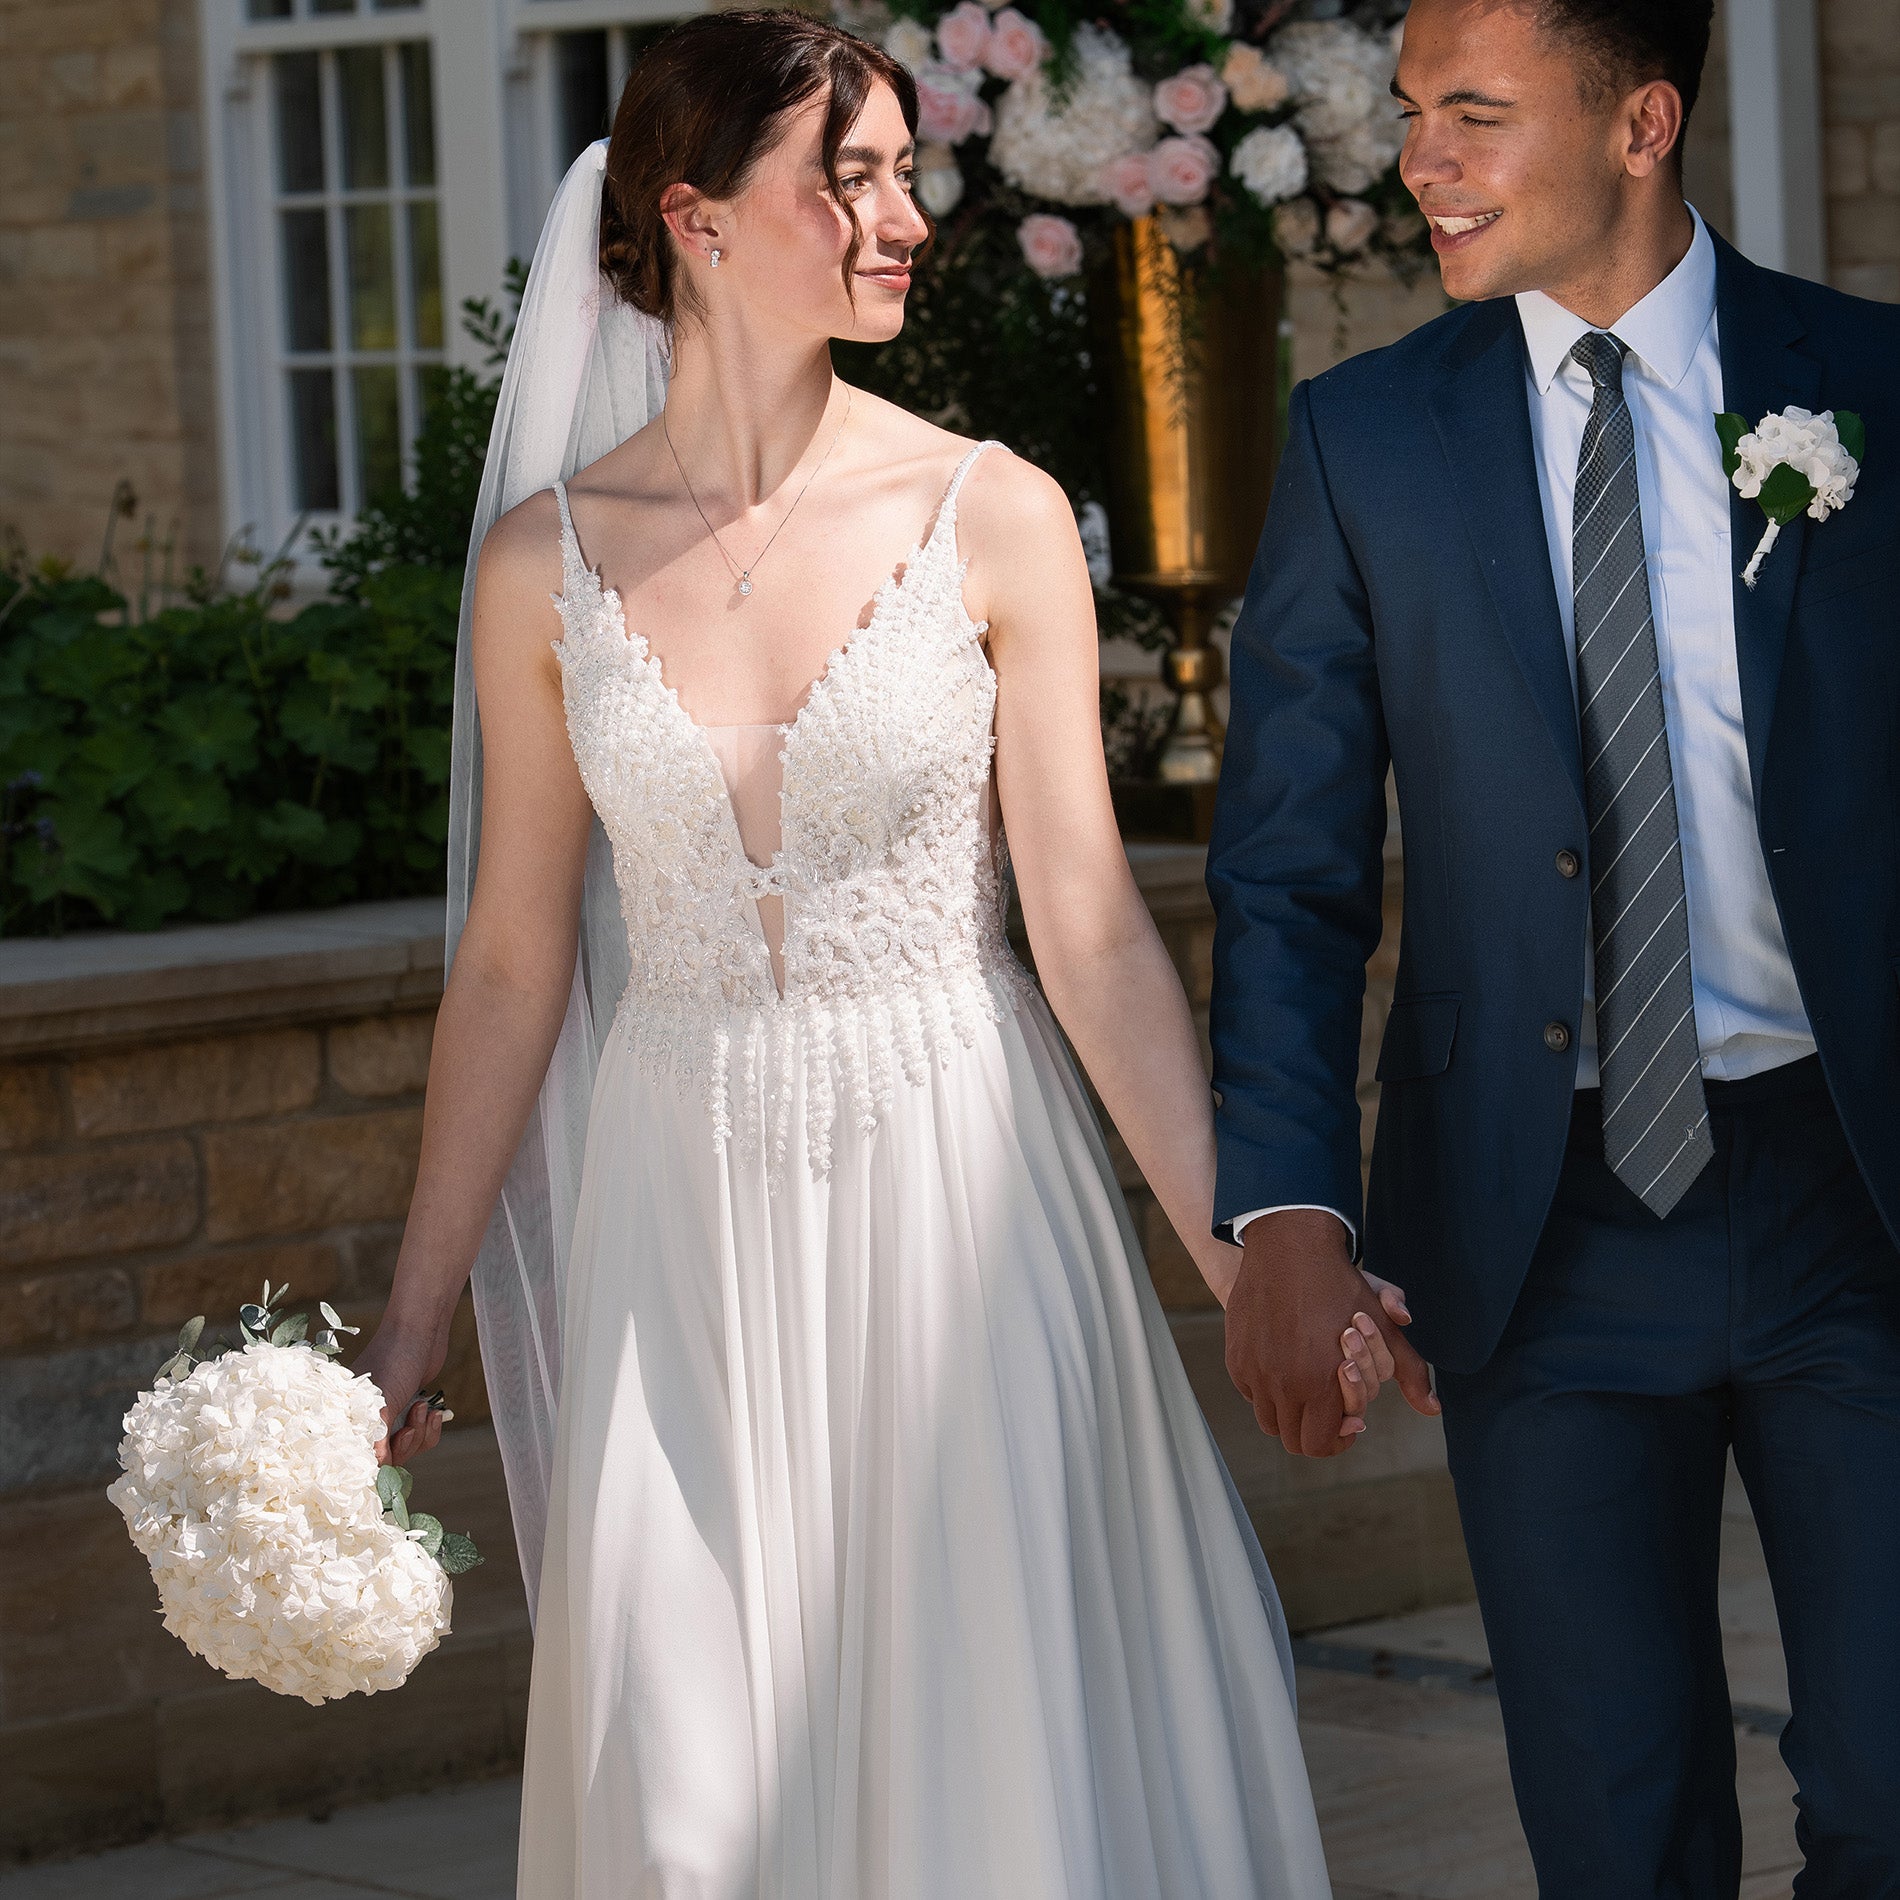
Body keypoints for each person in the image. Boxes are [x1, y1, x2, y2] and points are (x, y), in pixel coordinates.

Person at [352, 12, 1379, 1896]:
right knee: (685, 1765)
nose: (906, 216)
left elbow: (1088, 930)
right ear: (700, 218)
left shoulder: (990, 513)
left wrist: (1249, 1248)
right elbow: (510, 964)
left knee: (982, 1757)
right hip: (677, 1223)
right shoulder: (538, 566)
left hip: (955, 1201)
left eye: (910, 173)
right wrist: (418, 1316)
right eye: (855, 178)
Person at [1209, 0, 1900, 1892]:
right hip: (1541, 1224)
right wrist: (1285, 1208)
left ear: (1642, 123)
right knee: (1616, 1833)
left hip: (1860, 1191)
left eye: (1477, 116)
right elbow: (1289, 868)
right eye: (1414, 112)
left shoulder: (1873, 387)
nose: (1422, 159)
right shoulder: (1368, 442)